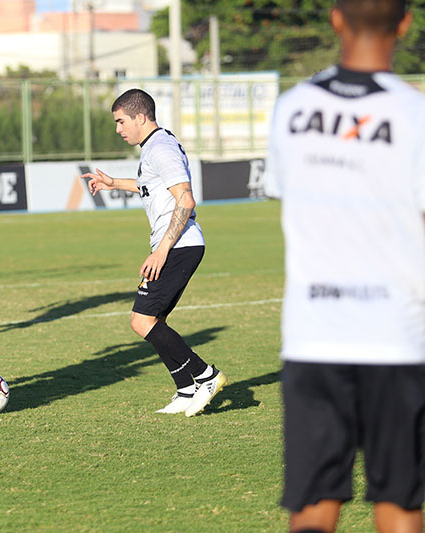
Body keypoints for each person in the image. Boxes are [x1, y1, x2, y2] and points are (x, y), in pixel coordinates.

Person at [264, 1, 425, 531]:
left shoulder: (292, 108)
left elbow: (286, 194)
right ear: (404, 24)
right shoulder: (414, 113)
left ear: (335, 18)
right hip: (396, 336)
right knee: (399, 503)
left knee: (312, 505)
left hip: (315, 335)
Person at [82, 89, 227, 417]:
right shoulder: (156, 146)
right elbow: (152, 185)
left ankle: (206, 376)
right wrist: (113, 183)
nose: (118, 129)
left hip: (178, 246)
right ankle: (185, 389)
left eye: (121, 121)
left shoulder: (160, 148)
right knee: (153, 319)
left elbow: (186, 200)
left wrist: (162, 251)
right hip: (177, 245)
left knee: (141, 320)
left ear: (140, 117)